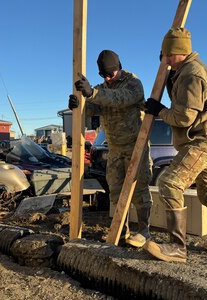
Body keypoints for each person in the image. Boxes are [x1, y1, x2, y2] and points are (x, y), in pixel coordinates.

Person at [143, 28, 207, 263]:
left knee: (169, 183)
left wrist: (159, 111)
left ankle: (178, 247)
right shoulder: (182, 72)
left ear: (179, 52)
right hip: (205, 140)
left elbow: (184, 118)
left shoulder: (192, 74)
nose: (165, 60)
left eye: (168, 55)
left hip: (202, 142)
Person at [68, 50, 153, 248]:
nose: (107, 78)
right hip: (114, 147)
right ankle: (121, 231)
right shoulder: (101, 88)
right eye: (103, 75)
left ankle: (144, 231)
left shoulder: (133, 83)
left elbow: (120, 99)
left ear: (119, 67)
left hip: (136, 146)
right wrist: (77, 104)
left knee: (139, 189)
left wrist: (93, 94)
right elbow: (90, 109)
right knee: (114, 190)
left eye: (110, 74)